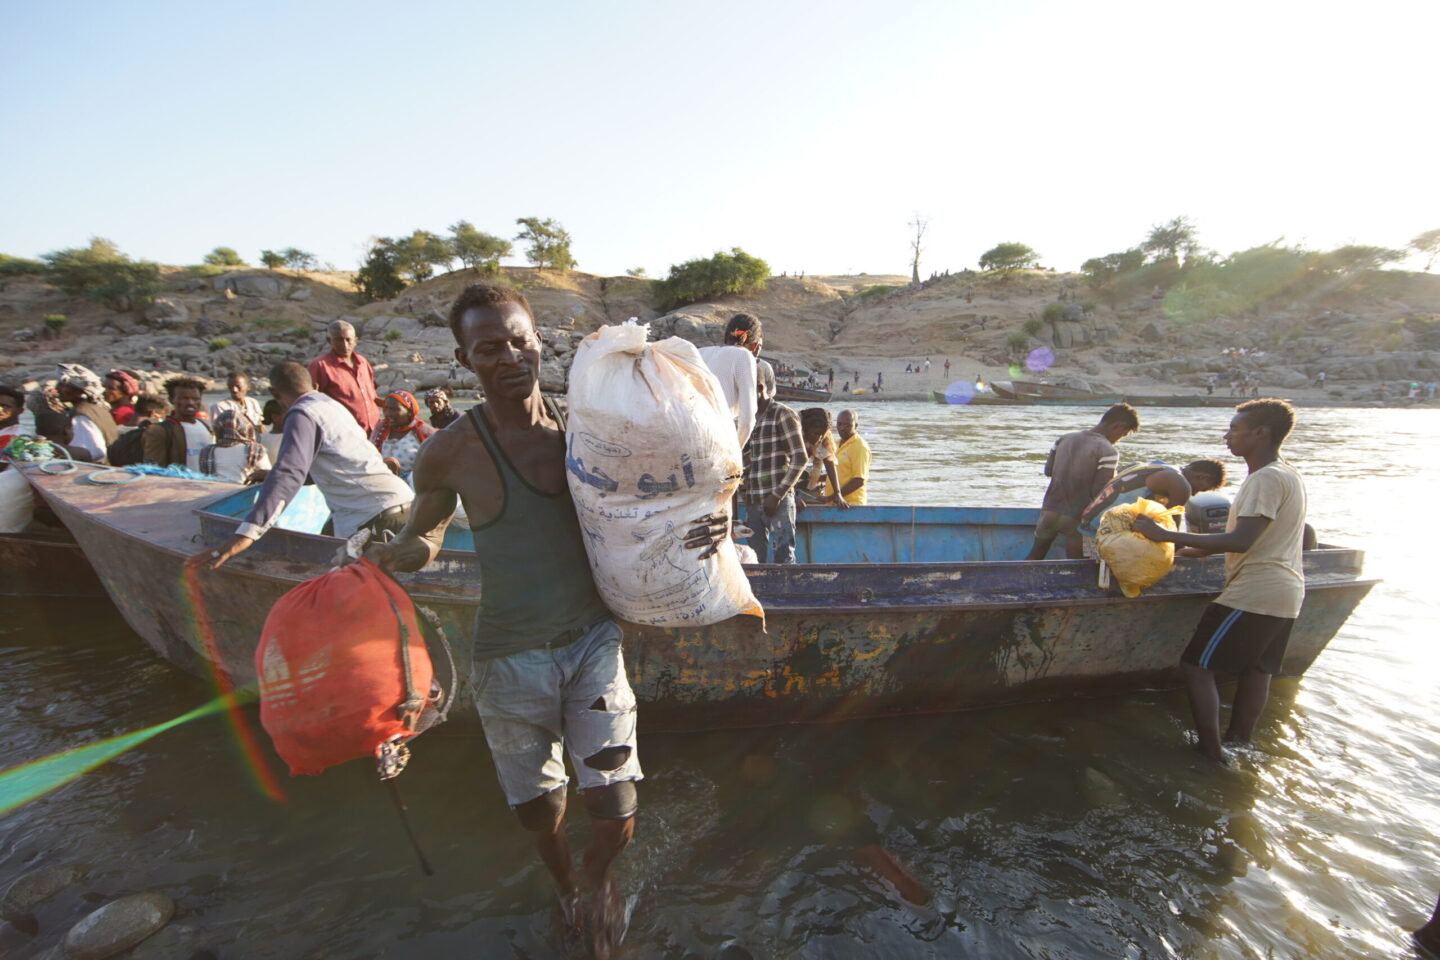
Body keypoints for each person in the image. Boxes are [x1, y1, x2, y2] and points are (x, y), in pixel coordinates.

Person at [360, 282, 726, 957]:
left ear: (539, 343)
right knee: (540, 813)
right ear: (464, 359)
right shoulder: (449, 451)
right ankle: (564, 884)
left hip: (591, 642)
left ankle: (597, 878)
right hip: (507, 657)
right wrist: (392, 555)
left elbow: (662, 501)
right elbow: (427, 536)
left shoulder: (588, 425)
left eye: (519, 341)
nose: (509, 357)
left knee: (615, 815)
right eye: (488, 347)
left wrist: (703, 532)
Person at [1134, 399, 1307, 764]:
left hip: (1255, 590)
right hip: (1286, 592)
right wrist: (1193, 552)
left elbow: (1240, 541)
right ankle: (1241, 744)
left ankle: (1211, 755)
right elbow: (1257, 539)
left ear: (1260, 433)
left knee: (1197, 665)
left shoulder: (1265, 478)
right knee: (1257, 670)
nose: (1226, 435)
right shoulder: (1287, 473)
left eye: (1234, 428)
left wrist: (1164, 536)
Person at [204, 362, 414, 568]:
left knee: (353, 593)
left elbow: (288, 474)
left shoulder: (302, 413)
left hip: (372, 515)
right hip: (402, 503)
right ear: (314, 386)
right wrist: (269, 475)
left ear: (275, 394)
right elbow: (328, 464)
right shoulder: (331, 406)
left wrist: (246, 534)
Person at [1025, 404, 1139, 560]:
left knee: (1035, 555)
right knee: (1076, 565)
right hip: (1075, 519)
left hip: (1049, 513)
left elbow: (1048, 471)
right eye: (1123, 434)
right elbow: (1099, 491)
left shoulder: (1064, 439)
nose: (1119, 439)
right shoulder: (1107, 451)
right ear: (1118, 427)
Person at [741, 362, 806, 564]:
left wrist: (777, 495)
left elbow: (800, 457)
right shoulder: (748, 420)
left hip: (777, 500)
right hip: (753, 500)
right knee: (754, 560)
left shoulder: (782, 413)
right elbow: (751, 459)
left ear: (760, 389)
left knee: (784, 558)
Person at [1077, 459, 1227, 536]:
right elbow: (1171, 529)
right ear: (1203, 477)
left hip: (1087, 523)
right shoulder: (1180, 484)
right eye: (1201, 489)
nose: (1193, 494)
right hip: (1100, 531)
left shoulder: (1158, 466)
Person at [697, 314, 761, 447]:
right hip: (712, 439)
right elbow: (747, 419)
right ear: (754, 346)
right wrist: (736, 450)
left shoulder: (701, 352)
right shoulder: (744, 356)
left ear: (725, 337)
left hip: (687, 433)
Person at [307, 319, 380, 434]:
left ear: (355, 341)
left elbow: (372, 396)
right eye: (339, 340)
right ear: (329, 341)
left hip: (374, 432)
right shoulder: (320, 366)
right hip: (344, 434)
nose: (345, 345)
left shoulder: (362, 363)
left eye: (348, 340)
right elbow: (310, 403)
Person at [142, 377, 213, 470]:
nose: (190, 402)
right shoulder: (160, 431)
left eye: (195, 399)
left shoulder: (205, 426)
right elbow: (154, 468)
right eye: (184, 398)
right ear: (171, 400)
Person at [54, 363, 119, 463]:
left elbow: (94, 452)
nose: (57, 389)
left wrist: (55, 448)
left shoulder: (82, 415)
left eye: (63, 385)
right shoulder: (97, 409)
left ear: (79, 391)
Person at [369, 389, 433, 480]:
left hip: (416, 484)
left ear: (409, 411)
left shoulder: (425, 433)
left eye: (394, 409)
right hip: (382, 480)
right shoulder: (380, 429)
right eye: (386, 408)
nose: (388, 414)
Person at [198, 408, 271, 484]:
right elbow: (268, 475)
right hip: (245, 493)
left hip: (214, 493)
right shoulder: (255, 449)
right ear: (245, 428)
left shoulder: (206, 451)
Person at [796, 407, 847, 510]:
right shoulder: (795, 433)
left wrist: (837, 493)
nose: (819, 438)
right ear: (806, 430)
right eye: (815, 434)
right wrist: (791, 496)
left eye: (821, 434)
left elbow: (829, 463)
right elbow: (785, 466)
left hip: (809, 485)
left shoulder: (823, 435)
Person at [825, 409, 871, 506]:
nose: (842, 428)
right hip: (833, 503)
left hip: (851, 505)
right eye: (839, 424)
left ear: (856, 426)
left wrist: (832, 497)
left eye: (847, 425)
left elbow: (859, 480)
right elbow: (838, 473)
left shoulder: (860, 446)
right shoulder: (836, 444)